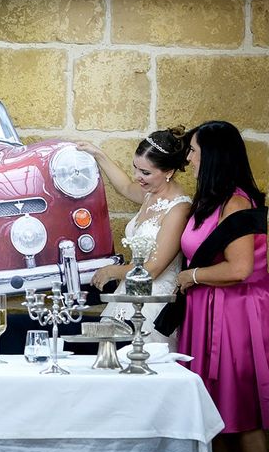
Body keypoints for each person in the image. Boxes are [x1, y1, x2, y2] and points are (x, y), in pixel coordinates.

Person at [175, 121, 268, 452]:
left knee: (241, 416)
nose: (190, 158)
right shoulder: (211, 201)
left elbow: (240, 269)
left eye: (195, 151)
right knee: (216, 419)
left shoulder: (237, 205)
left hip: (232, 319)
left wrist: (193, 275)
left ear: (212, 157)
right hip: (206, 313)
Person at [77, 128, 191, 348]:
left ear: (168, 171)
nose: (138, 177)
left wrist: (111, 272)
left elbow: (154, 268)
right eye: (135, 168)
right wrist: (98, 154)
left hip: (152, 304)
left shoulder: (179, 208)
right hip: (126, 296)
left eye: (146, 173)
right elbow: (124, 186)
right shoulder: (150, 193)